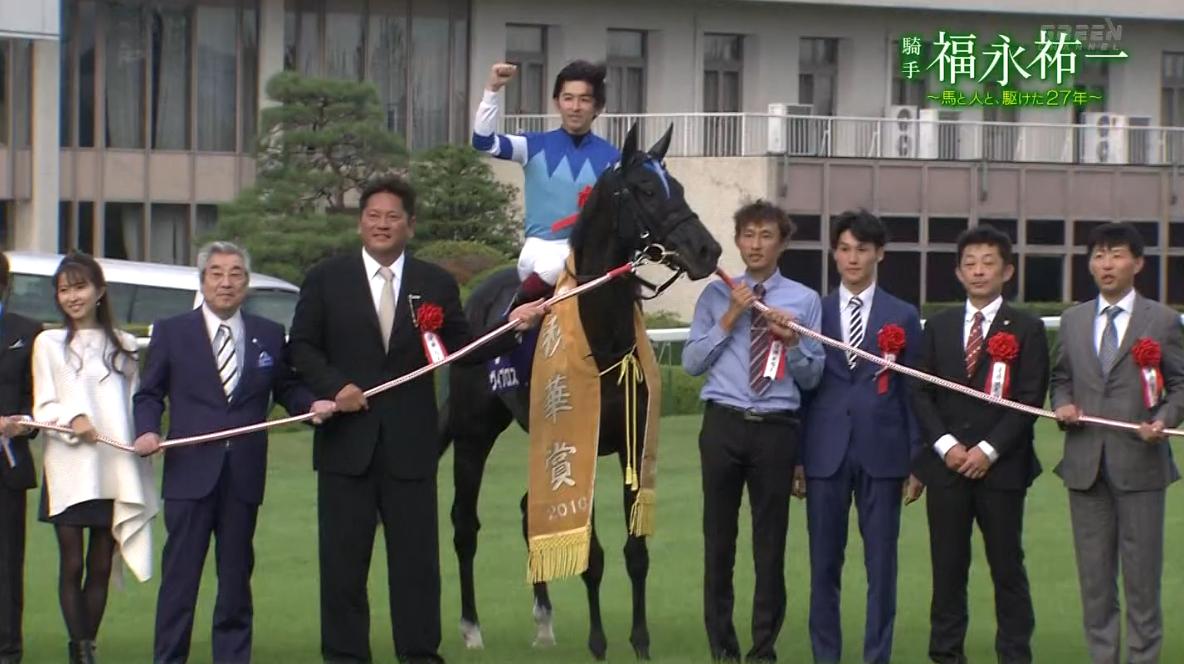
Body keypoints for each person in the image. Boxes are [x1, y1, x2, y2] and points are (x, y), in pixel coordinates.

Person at [288, 176, 547, 664]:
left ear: (410, 225)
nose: (382, 224)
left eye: (393, 217)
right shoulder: (326, 279)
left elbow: (464, 349)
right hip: (346, 447)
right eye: (373, 216)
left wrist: (513, 326)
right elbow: (301, 347)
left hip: (410, 448)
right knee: (343, 569)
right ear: (360, 223)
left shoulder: (435, 284)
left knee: (417, 568)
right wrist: (335, 387)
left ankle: (420, 655)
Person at [131, 242, 336, 664]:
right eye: (217, 273)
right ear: (202, 280)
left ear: (247, 282)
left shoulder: (268, 334)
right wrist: (148, 430)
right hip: (190, 475)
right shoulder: (172, 332)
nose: (226, 282)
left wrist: (310, 405)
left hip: (242, 475)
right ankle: (169, 657)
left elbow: (286, 387)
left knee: (236, 579)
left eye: (236, 274)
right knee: (180, 580)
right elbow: (148, 393)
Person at [682, 200, 824, 663]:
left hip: (776, 430)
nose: (756, 244)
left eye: (766, 236)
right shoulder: (715, 295)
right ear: (738, 241)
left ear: (782, 243)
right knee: (718, 542)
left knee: (770, 545)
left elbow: (813, 377)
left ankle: (763, 649)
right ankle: (722, 646)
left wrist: (794, 343)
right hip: (723, 424)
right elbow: (691, 363)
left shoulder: (804, 300)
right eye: (748, 235)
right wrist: (729, 318)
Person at [910, 226, 1048, 664]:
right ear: (958, 272)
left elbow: (1030, 398)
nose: (978, 270)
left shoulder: (1027, 327)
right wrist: (947, 446)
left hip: (1002, 470)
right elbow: (921, 392)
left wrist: (987, 450)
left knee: (1007, 567)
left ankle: (1014, 654)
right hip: (947, 469)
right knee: (947, 568)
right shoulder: (939, 325)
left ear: (1007, 271)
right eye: (970, 263)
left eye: (989, 262)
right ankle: (946, 654)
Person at [1049, 222, 1184, 664]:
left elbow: (1180, 386)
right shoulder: (1073, 321)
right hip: (1085, 468)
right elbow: (1061, 378)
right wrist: (1063, 404)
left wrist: (1163, 419)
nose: (1107, 264)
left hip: (1141, 466)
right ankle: (1103, 657)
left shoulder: (1162, 320)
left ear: (1138, 263)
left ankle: (1143, 657)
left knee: (1142, 581)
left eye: (1117, 255)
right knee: (1095, 582)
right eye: (1099, 256)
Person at [797, 210, 923, 664]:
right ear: (834, 254)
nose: (853, 259)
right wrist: (797, 458)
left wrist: (916, 459)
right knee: (823, 566)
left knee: (881, 567)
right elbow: (802, 390)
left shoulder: (902, 315)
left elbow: (913, 391)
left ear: (879, 254)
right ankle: (825, 655)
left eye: (862, 250)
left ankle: (877, 655)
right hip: (824, 452)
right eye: (845, 249)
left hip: (883, 453)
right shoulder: (815, 311)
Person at [32, 253, 158, 664]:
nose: (73, 297)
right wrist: (74, 418)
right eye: (64, 290)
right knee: (71, 563)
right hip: (69, 470)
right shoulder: (48, 343)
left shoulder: (124, 344)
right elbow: (43, 405)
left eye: (80, 287)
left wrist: (144, 441)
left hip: (114, 469)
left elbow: (135, 404)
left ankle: (87, 648)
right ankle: (80, 650)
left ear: (99, 291)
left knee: (100, 564)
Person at [472, 59, 620, 302]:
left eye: (584, 100)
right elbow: (483, 142)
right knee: (556, 265)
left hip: (590, 253)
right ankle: (514, 311)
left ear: (598, 106)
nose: (575, 107)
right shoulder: (532, 145)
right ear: (557, 102)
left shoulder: (613, 158)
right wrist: (492, 90)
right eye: (568, 98)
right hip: (542, 250)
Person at [0, 252, 42, 664]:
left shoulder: (29, 333)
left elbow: (40, 403)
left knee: (7, 566)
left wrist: (22, 423)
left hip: (7, 467)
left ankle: (8, 651)